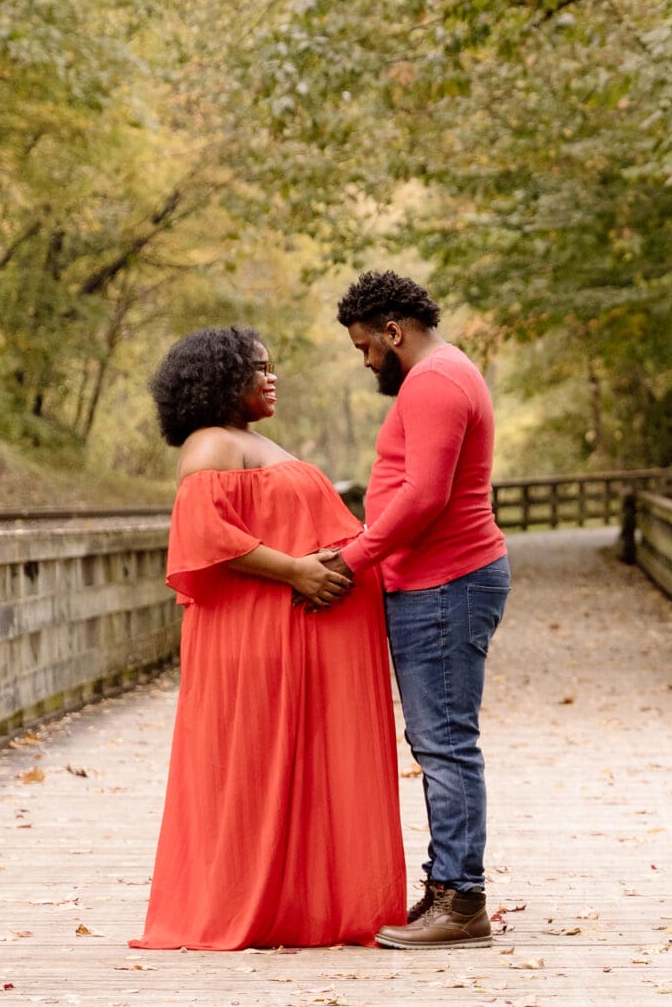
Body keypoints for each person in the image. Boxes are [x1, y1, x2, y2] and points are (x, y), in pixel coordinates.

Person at [131, 326, 406, 950]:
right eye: (259, 368)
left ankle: (302, 904)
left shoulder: (252, 441)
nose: (271, 376)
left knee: (297, 766)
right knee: (255, 762)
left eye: (272, 364)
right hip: (256, 635)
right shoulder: (210, 444)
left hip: (294, 633)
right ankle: (247, 903)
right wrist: (300, 572)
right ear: (222, 379)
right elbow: (207, 536)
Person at [317, 270, 509, 950]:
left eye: (367, 346)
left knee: (444, 742)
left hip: (445, 582)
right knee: (437, 741)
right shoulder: (447, 374)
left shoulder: (434, 380)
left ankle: (462, 900)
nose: (367, 360)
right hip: (438, 580)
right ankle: (446, 884)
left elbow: (425, 495)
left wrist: (354, 558)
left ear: (393, 330)